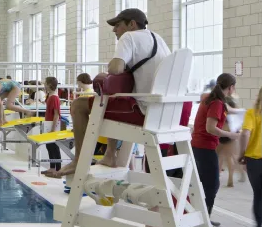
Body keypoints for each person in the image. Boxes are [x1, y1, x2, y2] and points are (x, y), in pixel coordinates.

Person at [45, 9, 171, 178]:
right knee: (111, 100)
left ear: (132, 24)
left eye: (118, 25)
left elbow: (115, 68)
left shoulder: (130, 37)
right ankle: (110, 154)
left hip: (143, 112)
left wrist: (109, 69)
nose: (114, 30)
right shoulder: (158, 39)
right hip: (166, 112)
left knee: (79, 105)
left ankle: (79, 160)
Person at [191, 73, 240, 227]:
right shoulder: (217, 103)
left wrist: (247, 111)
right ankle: (204, 222)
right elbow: (210, 128)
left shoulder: (209, 97)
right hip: (205, 147)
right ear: (231, 87)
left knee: (206, 184)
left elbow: (230, 110)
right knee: (211, 185)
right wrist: (230, 135)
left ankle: (203, 217)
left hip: (199, 146)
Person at [238, 86, 262, 227]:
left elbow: (245, 133)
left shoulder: (252, 113)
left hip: (254, 159)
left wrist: (242, 154)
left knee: (259, 195)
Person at [43, 77, 62, 172]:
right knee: (49, 146)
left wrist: (53, 129)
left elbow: (56, 114)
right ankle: (52, 167)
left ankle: (58, 169)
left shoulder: (54, 97)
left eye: (45, 83)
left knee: (54, 146)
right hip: (48, 123)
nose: (44, 84)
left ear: (49, 84)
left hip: (52, 124)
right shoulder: (50, 95)